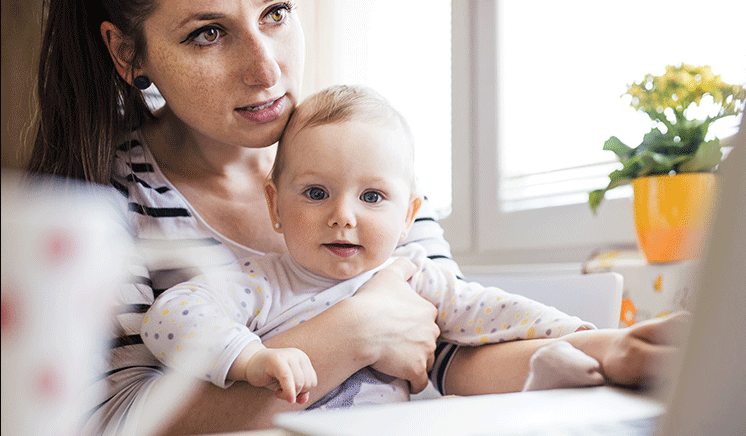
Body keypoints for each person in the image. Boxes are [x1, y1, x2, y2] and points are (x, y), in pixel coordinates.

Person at [25, 0, 687, 436]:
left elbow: (447, 351)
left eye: (277, 11)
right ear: (126, 51)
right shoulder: (97, 202)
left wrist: (609, 352)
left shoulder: (358, 157)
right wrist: (355, 332)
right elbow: (106, 424)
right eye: (207, 32)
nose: (267, 68)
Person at [142, 84, 605, 409]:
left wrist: (568, 333)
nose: (344, 216)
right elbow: (167, 318)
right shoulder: (259, 282)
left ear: (408, 217)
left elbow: (487, 310)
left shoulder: (412, 276)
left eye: (372, 197)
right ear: (275, 203)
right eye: (317, 193)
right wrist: (249, 360)